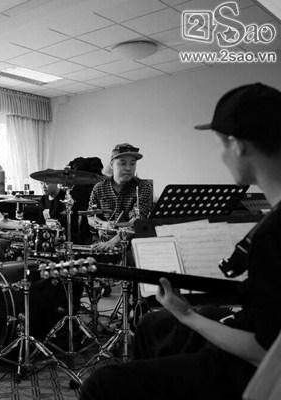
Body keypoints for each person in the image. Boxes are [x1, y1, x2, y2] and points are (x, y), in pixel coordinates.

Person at [79, 83, 281, 400]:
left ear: (238, 145)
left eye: (221, 144)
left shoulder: (272, 235)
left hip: (254, 369)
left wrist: (188, 315)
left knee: (101, 384)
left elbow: (265, 352)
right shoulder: (270, 222)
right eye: (122, 162)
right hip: (253, 323)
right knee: (152, 326)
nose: (221, 155)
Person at [87, 143, 153, 250]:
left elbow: (136, 221)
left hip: (132, 246)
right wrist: (104, 224)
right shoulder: (99, 188)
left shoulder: (143, 187)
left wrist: (112, 242)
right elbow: (91, 216)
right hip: (103, 242)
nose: (128, 168)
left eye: (132, 164)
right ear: (112, 164)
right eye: (122, 163)